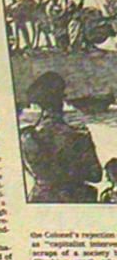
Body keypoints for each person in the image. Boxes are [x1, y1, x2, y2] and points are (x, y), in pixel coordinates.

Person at [19, 71, 101, 203]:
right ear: (61, 101)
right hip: (76, 199)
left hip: (41, 199)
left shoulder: (26, 136)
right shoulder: (79, 136)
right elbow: (95, 175)